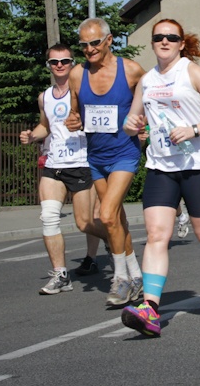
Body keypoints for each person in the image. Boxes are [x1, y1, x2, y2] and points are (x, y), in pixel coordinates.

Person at [120, 19, 200, 337]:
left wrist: (194, 129)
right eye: (158, 37)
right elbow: (132, 120)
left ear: (180, 43)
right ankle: (150, 308)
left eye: (171, 37)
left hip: (198, 165)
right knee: (156, 236)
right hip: (160, 166)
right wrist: (132, 125)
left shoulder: (192, 72)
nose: (164, 41)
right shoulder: (147, 80)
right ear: (153, 42)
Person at [67, 17, 147, 308]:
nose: (89, 49)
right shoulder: (77, 74)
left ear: (109, 40)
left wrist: (145, 124)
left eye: (94, 43)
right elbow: (75, 114)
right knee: (118, 221)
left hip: (124, 153)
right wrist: (73, 121)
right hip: (96, 157)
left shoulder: (131, 70)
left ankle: (121, 279)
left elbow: (152, 100)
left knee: (107, 215)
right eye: (84, 45)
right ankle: (136, 277)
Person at [20, 44, 108, 294]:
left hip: (81, 163)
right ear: (48, 65)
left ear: (72, 63)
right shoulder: (44, 97)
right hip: (54, 165)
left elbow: (102, 121)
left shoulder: (84, 91)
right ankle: (60, 275)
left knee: (85, 223)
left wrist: (82, 124)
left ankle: (113, 239)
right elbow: (45, 126)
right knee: (48, 217)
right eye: (54, 62)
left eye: (65, 61)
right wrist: (32, 136)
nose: (60, 65)